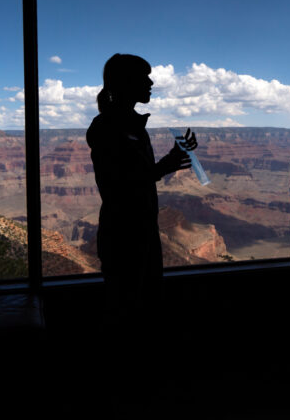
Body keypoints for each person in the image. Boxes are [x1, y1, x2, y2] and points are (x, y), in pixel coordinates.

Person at [86, 54, 196, 416]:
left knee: (146, 310)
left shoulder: (133, 125)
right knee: (124, 314)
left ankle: (141, 389)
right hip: (123, 235)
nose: (151, 85)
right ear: (124, 83)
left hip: (143, 232)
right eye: (144, 78)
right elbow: (118, 186)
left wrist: (174, 156)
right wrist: (164, 166)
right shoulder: (105, 128)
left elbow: (141, 173)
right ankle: (120, 393)